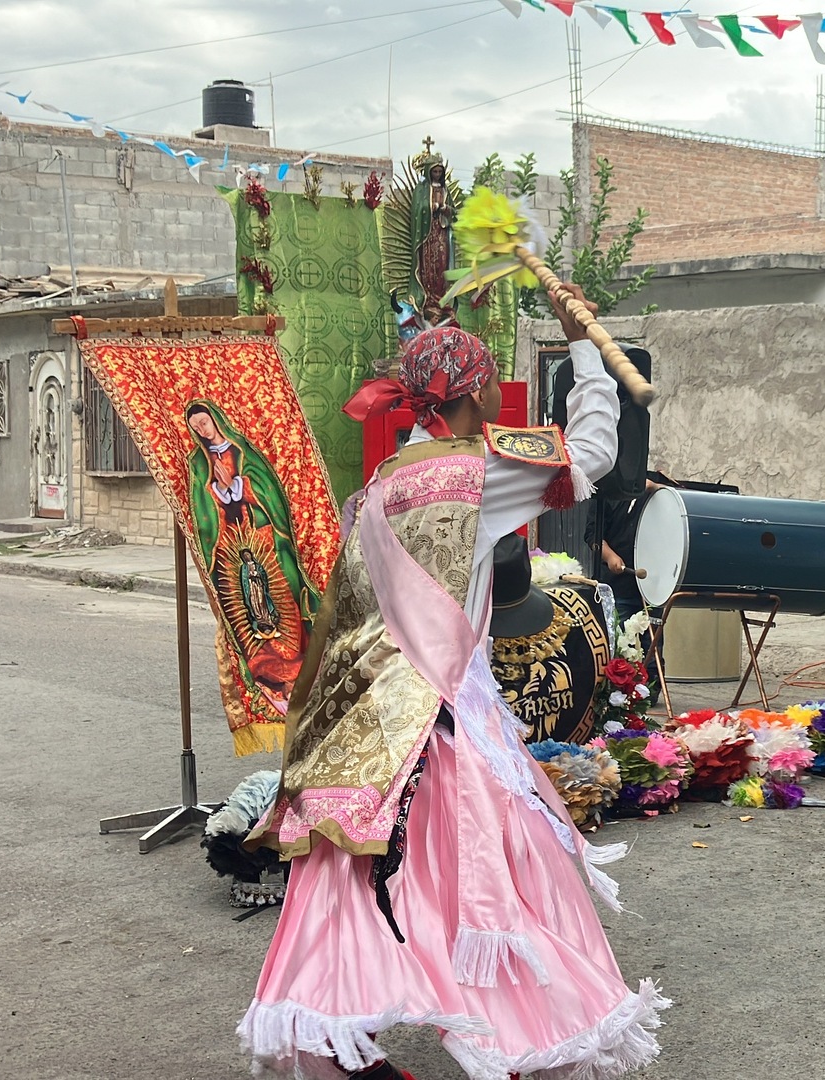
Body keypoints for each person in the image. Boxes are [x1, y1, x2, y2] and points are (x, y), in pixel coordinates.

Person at [239, 286, 670, 1080]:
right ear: (478, 394)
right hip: (439, 727)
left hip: (354, 744)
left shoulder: (371, 496)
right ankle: (524, 1048)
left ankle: (334, 1054)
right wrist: (585, 350)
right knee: (497, 889)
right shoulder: (478, 476)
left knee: (346, 906)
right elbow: (593, 456)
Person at [184, 399, 318, 717]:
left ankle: (297, 666)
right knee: (247, 604)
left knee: (282, 598)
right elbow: (202, 508)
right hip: (229, 546)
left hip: (263, 536)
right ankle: (268, 673)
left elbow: (267, 489)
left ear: (216, 419)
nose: (202, 429)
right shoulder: (198, 463)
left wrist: (237, 486)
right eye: (195, 427)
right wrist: (215, 492)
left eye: (204, 421)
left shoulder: (243, 451)